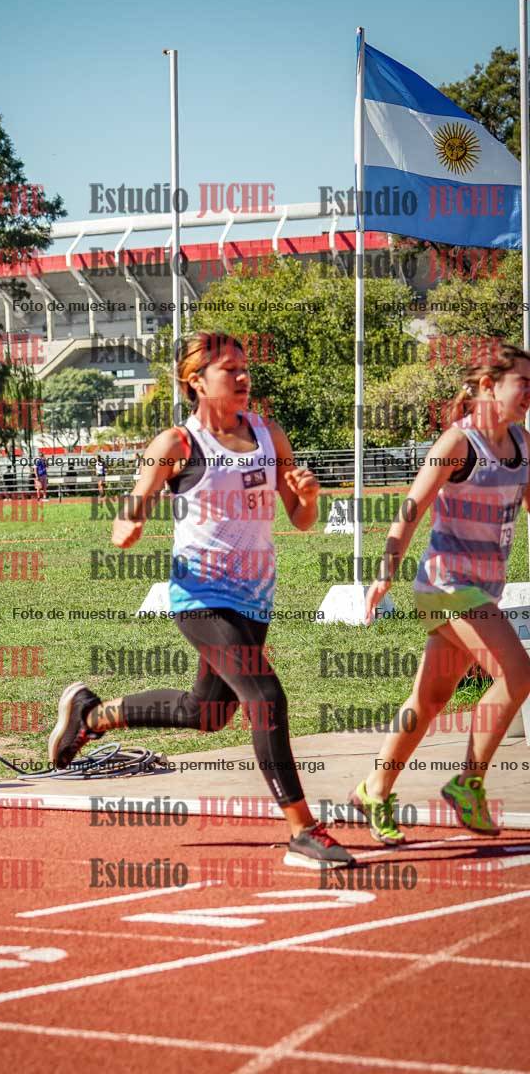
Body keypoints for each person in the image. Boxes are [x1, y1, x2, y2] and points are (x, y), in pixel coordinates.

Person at [49, 331, 355, 869]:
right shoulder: (177, 444)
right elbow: (133, 507)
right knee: (266, 697)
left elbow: (302, 520)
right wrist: (128, 525)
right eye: (229, 370)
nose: (243, 377)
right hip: (199, 596)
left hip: (255, 598)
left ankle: (92, 715)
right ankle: (304, 831)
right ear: (196, 381)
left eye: (244, 367)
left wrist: (309, 497)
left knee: (207, 713)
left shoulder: (269, 434)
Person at [351, 343, 530, 845]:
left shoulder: (523, 444)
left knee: (429, 699)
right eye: (523, 383)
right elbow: (411, 508)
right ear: (489, 386)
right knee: (517, 673)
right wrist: (385, 573)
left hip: (481, 592)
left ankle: (373, 789)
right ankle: (468, 782)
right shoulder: (459, 442)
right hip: (446, 586)